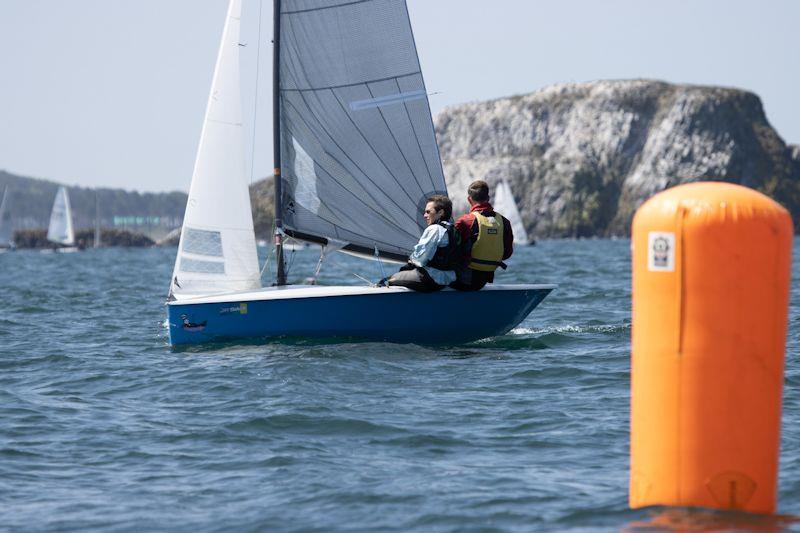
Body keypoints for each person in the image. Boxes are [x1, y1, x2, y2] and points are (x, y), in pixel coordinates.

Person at [385, 195, 461, 292]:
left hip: (431, 279)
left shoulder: (435, 229)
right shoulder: (454, 230)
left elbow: (420, 260)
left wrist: (410, 261)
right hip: (449, 279)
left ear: (440, 212)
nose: (425, 215)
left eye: (428, 212)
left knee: (388, 280)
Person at [451, 180, 514, 291]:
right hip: (484, 279)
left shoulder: (465, 221)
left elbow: (450, 250)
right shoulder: (504, 222)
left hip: (462, 279)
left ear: (469, 199)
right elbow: (507, 254)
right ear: (488, 198)